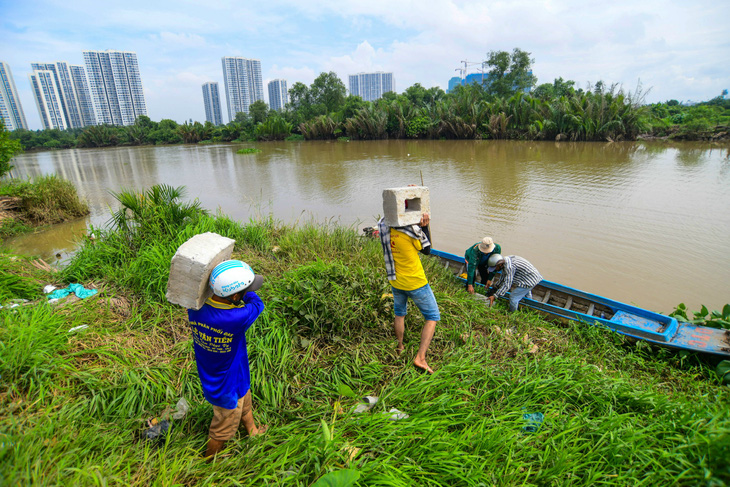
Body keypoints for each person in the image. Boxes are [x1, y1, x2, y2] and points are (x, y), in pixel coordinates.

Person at [187, 260, 268, 459]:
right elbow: (258, 303)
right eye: (245, 289)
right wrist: (246, 291)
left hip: (228, 372)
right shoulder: (235, 318)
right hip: (226, 386)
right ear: (234, 295)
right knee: (221, 429)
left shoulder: (194, 308)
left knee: (245, 399)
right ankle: (208, 463)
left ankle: (253, 431)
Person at [378, 212, 440, 374]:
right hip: (415, 282)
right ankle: (420, 357)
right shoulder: (410, 232)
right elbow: (427, 250)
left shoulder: (385, 227)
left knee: (400, 313)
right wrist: (424, 227)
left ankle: (400, 346)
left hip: (396, 280)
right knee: (432, 317)